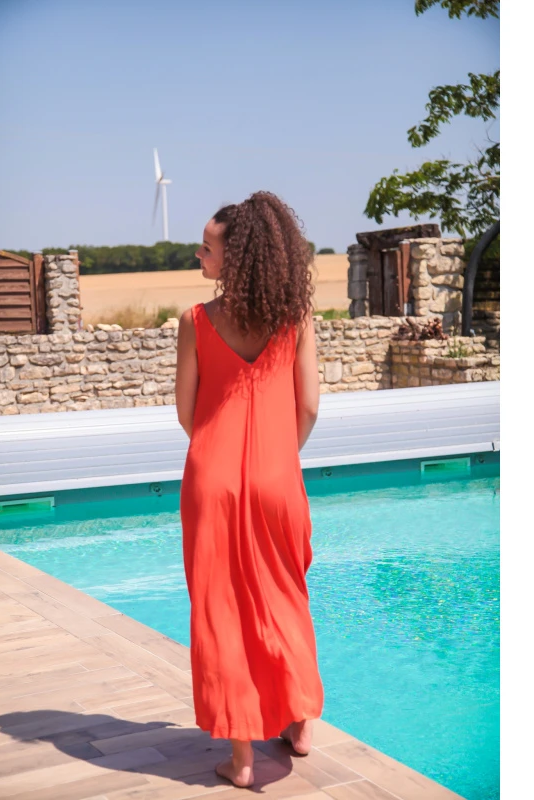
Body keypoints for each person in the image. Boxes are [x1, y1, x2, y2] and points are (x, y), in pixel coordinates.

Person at [175, 191, 324, 788]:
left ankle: (240, 760)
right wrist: (277, 455)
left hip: (211, 478)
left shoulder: (196, 321)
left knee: (222, 612)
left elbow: (187, 413)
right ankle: (299, 725)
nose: (199, 255)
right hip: (277, 476)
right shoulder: (296, 319)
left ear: (236, 259)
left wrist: (220, 447)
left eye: (207, 248)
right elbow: (308, 407)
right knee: (285, 596)